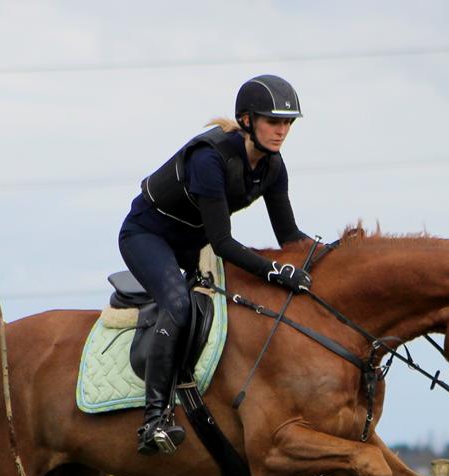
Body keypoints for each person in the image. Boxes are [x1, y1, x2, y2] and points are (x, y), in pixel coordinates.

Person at [119, 74, 312, 456]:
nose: (282, 130)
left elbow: (290, 237)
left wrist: (325, 258)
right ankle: (154, 420)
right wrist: (274, 270)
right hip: (147, 236)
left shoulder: (273, 167)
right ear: (246, 121)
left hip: (193, 244)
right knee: (177, 305)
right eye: (274, 121)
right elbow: (222, 243)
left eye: (287, 122)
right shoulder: (210, 159)